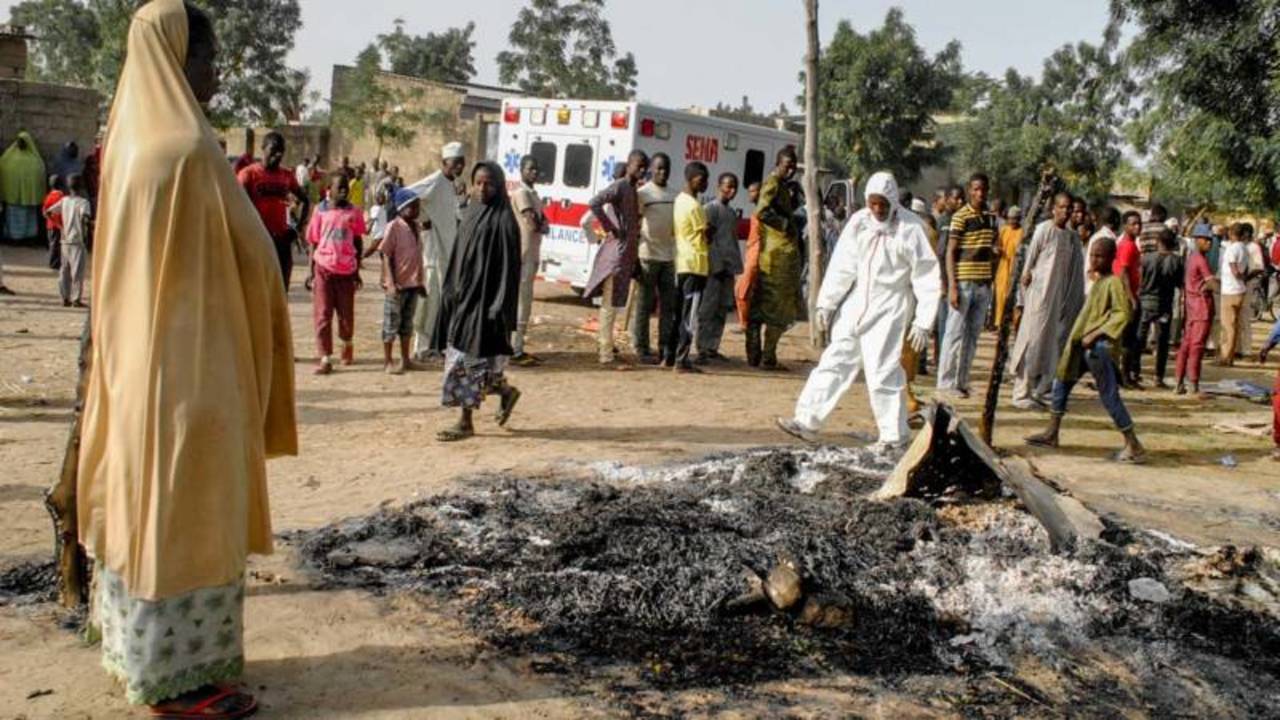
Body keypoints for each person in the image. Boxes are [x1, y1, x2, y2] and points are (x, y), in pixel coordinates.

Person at [77, 3, 296, 715]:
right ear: (177, 57)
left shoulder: (127, 140)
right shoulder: (188, 150)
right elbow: (250, 254)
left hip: (135, 367)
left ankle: (137, 656)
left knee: (140, 503)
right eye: (209, 59)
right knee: (189, 514)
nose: (215, 74)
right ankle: (186, 681)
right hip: (193, 368)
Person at [776, 171, 939, 450]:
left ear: (893, 202)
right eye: (873, 203)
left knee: (882, 370)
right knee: (835, 360)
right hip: (857, 302)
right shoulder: (859, 222)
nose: (877, 209)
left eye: (883, 204)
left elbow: (926, 275)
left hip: (890, 305)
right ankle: (807, 421)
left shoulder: (910, 229)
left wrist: (924, 321)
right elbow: (842, 265)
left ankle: (893, 437)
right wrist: (826, 303)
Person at [1026, 237, 1145, 463]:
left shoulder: (1114, 283)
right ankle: (1052, 432)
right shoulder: (1098, 282)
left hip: (1098, 348)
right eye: (1092, 255)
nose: (1094, 259)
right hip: (1081, 346)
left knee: (1109, 395)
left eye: (1100, 256)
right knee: (1061, 383)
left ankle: (1133, 444)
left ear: (1111, 258)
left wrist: (1097, 333)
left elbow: (1122, 314)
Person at [432, 162, 522, 442]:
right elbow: (459, 256)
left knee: (467, 361)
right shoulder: (471, 213)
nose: (482, 189)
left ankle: (465, 421)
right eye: (478, 183)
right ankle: (505, 391)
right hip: (464, 301)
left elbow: (509, 269)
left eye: (489, 184)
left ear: (499, 187)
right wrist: (450, 291)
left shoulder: (504, 221)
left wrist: (499, 306)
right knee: (477, 363)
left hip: (486, 306)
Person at [1010, 193, 1085, 410]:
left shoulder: (1069, 237)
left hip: (1055, 301)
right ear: (1054, 208)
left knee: (1047, 347)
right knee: (1030, 343)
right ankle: (1020, 393)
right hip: (1037, 298)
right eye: (1062, 207)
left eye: (1069, 208)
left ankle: (1036, 391)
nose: (1066, 211)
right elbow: (1029, 265)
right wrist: (1022, 298)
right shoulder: (1044, 229)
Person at [937, 173, 997, 398]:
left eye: (983, 189)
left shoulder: (991, 218)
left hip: (983, 285)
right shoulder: (960, 217)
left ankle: (962, 382)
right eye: (976, 189)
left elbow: (990, 248)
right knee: (953, 334)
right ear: (970, 190)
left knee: (972, 337)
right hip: (964, 284)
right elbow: (950, 252)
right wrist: (952, 285)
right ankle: (946, 383)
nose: (980, 193)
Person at [586, 150, 648, 367]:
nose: (641, 170)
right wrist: (610, 227)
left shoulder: (632, 190)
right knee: (609, 304)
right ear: (629, 164)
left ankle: (607, 345)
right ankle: (605, 354)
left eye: (644, 167)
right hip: (615, 254)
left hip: (625, 255)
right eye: (638, 166)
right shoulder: (620, 186)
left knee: (614, 304)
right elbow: (594, 202)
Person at [745, 146, 803, 369]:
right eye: (787, 166)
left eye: (794, 167)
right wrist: (784, 224)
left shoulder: (782, 185)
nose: (791, 171)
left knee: (760, 306)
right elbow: (762, 211)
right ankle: (767, 357)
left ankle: (755, 355)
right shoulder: (773, 183)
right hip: (777, 257)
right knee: (778, 309)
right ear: (778, 164)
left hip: (775, 255)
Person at [407, 142, 466, 360]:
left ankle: (436, 344)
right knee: (429, 299)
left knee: (443, 299)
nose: (459, 167)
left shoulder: (454, 186)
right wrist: (422, 218)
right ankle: (421, 347)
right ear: (444, 163)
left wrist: (462, 198)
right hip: (432, 250)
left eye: (462, 163)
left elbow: (458, 216)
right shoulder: (434, 180)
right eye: (455, 163)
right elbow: (405, 194)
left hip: (448, 251)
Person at [306, 172, 366, 374]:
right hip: (323, 268)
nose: (343, 191)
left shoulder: (354, 212)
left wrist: (357, 270)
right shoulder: (320, 211)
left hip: (346, 271)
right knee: (323, 313)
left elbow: (357, 240)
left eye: (345, 187)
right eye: (338, 187)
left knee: (345, 315)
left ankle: (347, 342)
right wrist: (311, 272)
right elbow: (313, 241)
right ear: (328, 190)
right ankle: (325, 357)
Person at [237, 130, 309, 289]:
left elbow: (305, 200)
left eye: (281, 151)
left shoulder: (286, 175)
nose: (278, 155)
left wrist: (297, 229)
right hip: (256, 241)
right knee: (256, 288)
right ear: (263, 148)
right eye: (274, 150)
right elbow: (236, 207)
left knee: (281, 287)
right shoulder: (248, 175)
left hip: (281, 240)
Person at [366, 188, 424, 375]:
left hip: (412, 285)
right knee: (391, 323)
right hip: (397, 286)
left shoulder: (416, 228)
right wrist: (390, 283)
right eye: (412, 207)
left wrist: (420, 282)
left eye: (418, 207)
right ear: (401, 208)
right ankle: (388, 361)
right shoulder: (394, 227)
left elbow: (417, 257)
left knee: (407, 324)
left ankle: (405, 359)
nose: (416, 210)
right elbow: (385, 254)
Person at [633, 153, 679, 365]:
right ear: (651, 169)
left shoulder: (674, 194)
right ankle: (641, 347)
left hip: (668, 257)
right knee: (644, 305)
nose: (663, 172)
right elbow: (635, 224)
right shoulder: (642, 194)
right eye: (659, 168)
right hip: (647, 256)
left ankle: (665, 348)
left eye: (666, 168)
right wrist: (634, 256)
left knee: (668, 307)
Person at [698, 172, 742, 362]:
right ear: (719, 186)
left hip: (728, 268)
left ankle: (712, 347)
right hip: (714, 268)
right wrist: (715, 265)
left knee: (722, 309)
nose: (731, 191)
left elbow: (731, 241)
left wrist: (735, 265)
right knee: (707, 309)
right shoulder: (710, 209)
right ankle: (702, 347)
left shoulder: (731, 213)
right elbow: (707, 240)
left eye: (734, 187)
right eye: (728, 186)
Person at [673, 162, 711, 373]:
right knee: (690, 315)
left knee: (680, 312)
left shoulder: (679, 200)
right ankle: (682, 359)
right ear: (692, 179)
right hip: (696, 264)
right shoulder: (695, 207)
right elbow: (706, 235)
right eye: (702, 179)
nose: (706, 184)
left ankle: (673, 355)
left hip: (681, 261)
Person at [510, 154, 548, 366]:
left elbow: (543, 224)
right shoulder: (522, 193)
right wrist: (540, 223)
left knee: (525, 301)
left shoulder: (533, 194)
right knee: (521, 303)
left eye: (536, 169)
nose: (534, 172)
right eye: (530, 169)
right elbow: (533, 223)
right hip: (523, 254)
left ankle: (518, 346)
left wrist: (541, 223)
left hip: (531, 252)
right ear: (521, 170)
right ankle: (515, 349)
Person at [1137, 228, 1185, 388]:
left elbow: (1140, 279)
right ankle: (1158, 376)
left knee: (1140, 337)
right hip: (1165, 304)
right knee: (1162, 340)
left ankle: (1134, 371)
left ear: (1158, 242)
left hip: (1146, 301)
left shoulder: (1146, 258)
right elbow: (1180, 283)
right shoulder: (1177, 261)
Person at [1175, 224, 1218, 395]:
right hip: (1202, 308)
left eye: (1210, 240)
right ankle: (1193, 384)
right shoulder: (1200, 260)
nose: (1209, 243)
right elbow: (1212, 284)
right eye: (1205, 239)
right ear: (1196, 240)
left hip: (1192, 307)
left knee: (1186, 345)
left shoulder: (1192, 258)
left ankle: (1179, 382)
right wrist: (1217, 284)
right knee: (1197, 346)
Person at [44, 173, 92, 307]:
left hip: (65, 239)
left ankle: (65, 298)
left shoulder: (64, 200)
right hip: (78, 240)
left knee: (64, 270)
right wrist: (87, 233)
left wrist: (60, 226)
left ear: (68, 186)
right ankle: (76, 299)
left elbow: (47, 212)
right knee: (77, 272)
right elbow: (85, 219)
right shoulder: (84, 203)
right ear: (81, 186)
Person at [1, 131, 48, 245]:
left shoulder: (7, 159)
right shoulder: (35, 161)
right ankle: (28, 239)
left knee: (14, 219)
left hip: (12, 197)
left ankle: (14, 239)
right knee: (28, 219)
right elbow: (40, 176)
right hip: (29, 198)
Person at [1115, 210, 1143, 385]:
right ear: (1125, 226)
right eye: (1133, 224)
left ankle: (1124, 375)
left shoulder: (1131, 244)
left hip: (1129, 293)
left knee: (1128, 338)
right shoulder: (1127, 246)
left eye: (1139, 224)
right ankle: (1124, 376)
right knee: (1128, 338)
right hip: (1126, 296)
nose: (1137, 227)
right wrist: (1131, 297)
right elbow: (1123, 272)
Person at [1219, 223, 1250, 366]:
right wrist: (1243, 279)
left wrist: (1239, 277)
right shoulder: (1244, 248)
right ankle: (1229, 356)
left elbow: (1235, 270)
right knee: (1234, 325)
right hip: (1239, 290)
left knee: (1227, 326)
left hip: (1230, 290)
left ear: (1231, 233)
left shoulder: (1232, 249)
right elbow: (1244, 269)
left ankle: (1225, 357)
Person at [993, 205, 1024, 327]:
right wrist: (997, 250)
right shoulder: (1004, 230)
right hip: (1003, 267)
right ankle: (998, 323)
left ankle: (1010, 323)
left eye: (1015, 218)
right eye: (1010, 218)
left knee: (1013, 297)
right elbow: (997, 245)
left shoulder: (1022, 232)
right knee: (1000, 295)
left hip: (1015, 269)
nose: (1012, 221)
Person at [1085, 207, 1121, 292]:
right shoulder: (1105, 237)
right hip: (1098, 287)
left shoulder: (1099, 235)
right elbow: (1092, 267)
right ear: (1116, 220)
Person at [42, 174, 66, 270]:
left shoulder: (48, 196)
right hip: (58, 225)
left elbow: (44, 211)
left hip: (50, 225)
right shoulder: (62, 197)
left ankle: (53, 262)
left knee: (52, 244)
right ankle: (54, 263)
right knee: (57, 245)